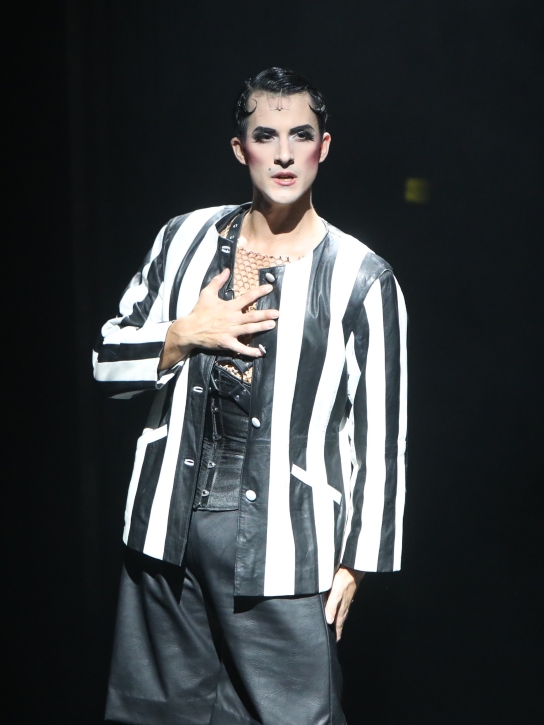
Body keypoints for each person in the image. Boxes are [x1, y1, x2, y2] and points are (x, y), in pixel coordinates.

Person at [94, 67, 408, 725]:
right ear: (241, 149)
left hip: (285, 548)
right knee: (153, 715)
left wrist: (356, 564)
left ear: (324, 147)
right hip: (166, 537)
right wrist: (182, 335)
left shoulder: (362, 277)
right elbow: (106, 362)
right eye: (266, 136)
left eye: (301, 135)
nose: (284, 154)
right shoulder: (183, 239)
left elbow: (380, 434)